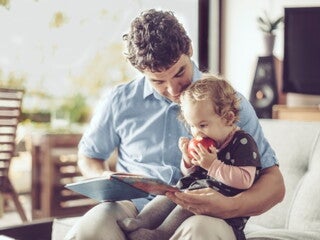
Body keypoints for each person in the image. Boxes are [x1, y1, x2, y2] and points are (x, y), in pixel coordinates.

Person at [65, 9, 285, 240]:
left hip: (204, 212)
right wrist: (108, 182)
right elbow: (89, 157)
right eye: (158, 81)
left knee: (203, 231)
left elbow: (274, 183)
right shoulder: (119, 101)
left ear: (189, 48)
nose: (174, 90)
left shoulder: (229, 105)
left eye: (180, 72)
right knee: (91, 227)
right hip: (134, 208)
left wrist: (230, 206)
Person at [117, 76, 261, 240]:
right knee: (169, 194)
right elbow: (190, 173)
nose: (196, 133)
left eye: (202, 125)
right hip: (195, 189)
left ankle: (161, 234)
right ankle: (140, 221)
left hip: (222, 209)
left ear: (228, 118)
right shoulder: (211, 141)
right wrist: (188, 160)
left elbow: (245, 180)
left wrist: (213, 165)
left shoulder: (242, 142)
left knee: (187, 203)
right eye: (192, 126)